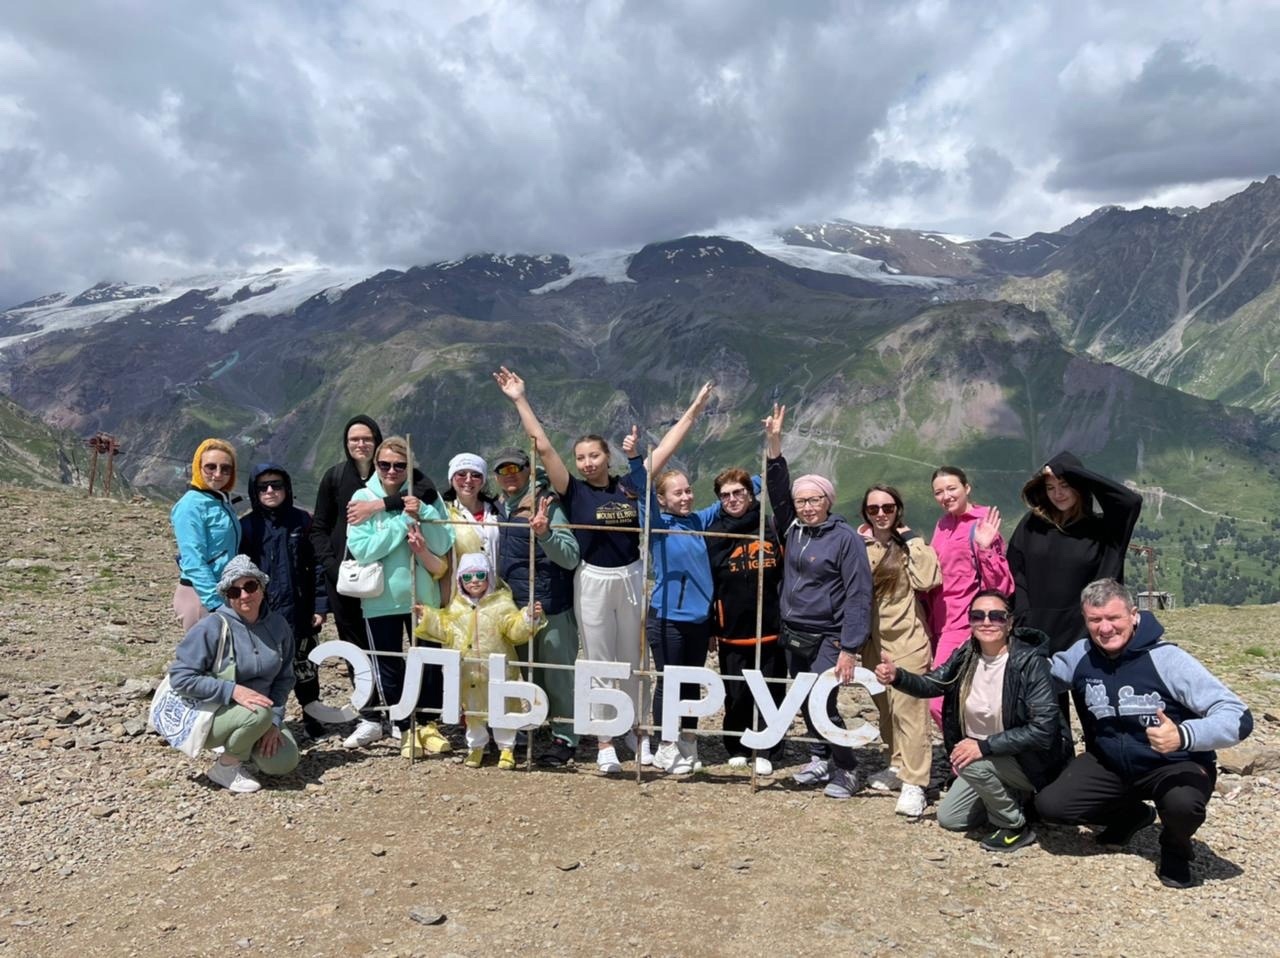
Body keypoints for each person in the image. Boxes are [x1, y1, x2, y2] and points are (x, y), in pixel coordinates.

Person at [1035, 579, 1253, 888]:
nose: (1105, 628)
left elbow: (1239, 716)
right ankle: (1131, 816)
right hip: (1110, 763)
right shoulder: (1081, 653)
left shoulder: (1167, 659)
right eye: (1095, 620)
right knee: (1052, 806)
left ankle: (1175, 845)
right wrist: (1003, 652)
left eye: (1114, 618)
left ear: (1134, 615)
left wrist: (1184, 734)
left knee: (1183, 805)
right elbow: (1046, 677)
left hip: (1175, 762)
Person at [494, 365, 647, 775]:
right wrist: (520, 399)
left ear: (607, 456)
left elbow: (657, 462)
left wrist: (694, 410)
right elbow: (542, 447)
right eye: (580, 457)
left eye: (593, 455)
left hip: (631, 573)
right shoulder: (573, 490)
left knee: (632, 655)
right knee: (597, 658)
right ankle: (605, 739)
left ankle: (633, 725)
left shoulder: (628, 486)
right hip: (593, 577)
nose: (586, 462)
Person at [876, 590, 1070, 848]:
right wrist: (897, 676)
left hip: (1030, 759)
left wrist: (983, 746)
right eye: (978, 616)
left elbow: (1042, 730)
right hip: (987, 756)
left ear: (1010, 622)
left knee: (968, 760)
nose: (987, 622)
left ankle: (1014, 825)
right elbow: (934, 683)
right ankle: (1015, 797)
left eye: (996, 616)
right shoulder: (968, 654)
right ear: (970, 621)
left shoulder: (1030, 662)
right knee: (951, 818)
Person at [309, 416, 442, 748]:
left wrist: (384, 505)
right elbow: (321, 525)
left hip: (396, 585)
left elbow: (425, 500)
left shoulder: (416, 483)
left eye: (367, 438)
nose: (360, 444)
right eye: (354, 438)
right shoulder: (338, 478)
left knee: (408, 652)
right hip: (351, 578)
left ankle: (411, 718)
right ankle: (372, 715)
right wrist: (331, 565)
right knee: (361, 649)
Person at [764, 404, 873, 799]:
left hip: (828, 636)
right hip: (796, 632)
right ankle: (819, 756)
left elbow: (860, 595)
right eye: (802, 501)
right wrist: (774, 445)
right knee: (804, 698)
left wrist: (849, 647)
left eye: (815, 499)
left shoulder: (845, 540)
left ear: (828, 500)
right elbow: (777, 492)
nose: (807, 506)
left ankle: (846, 767)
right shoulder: (793, 528)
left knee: (821, 702)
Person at [620, 385, 721, 774]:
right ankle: (665, 745)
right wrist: (634, 457)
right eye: (677, 493)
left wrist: (764, 475)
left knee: (692, 682)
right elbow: (643, 481)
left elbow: (737, 501)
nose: (686, 497)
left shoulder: (699, 521)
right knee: (670, 682)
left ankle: (688, 741)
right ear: (662, 499)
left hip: (699, 618)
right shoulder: (657, 522)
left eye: (688, 491)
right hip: (668, 617)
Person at [1008, 452, 1143, 723]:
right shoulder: (1032, 524)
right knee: (1047, 719)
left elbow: (1130, 501)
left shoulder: (1103, 529)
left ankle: (1102, 763)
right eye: (1050, 487)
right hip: (1038, 633)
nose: (1057, 494)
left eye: (1065, 485)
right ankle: (1059, 765)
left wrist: (1069, 469)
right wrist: (1023, 616)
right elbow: (1015, 570)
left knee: (1096, 713)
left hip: (1086, 633)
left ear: (1080, 486)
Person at [344, 436, 454, 757]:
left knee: (431, 661)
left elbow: (443, 542)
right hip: (381, 598)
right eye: (385, 465)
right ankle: (405, 728)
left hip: (424, 596)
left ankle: (429, 725)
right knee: (389, 664)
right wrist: (402, 522)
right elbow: (362, 550)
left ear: (409, 468)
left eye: (400, 465)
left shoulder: (424, 499)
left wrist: (424, 515)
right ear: (376, 465)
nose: (392, 471)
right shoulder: (362, 497)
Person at [168, 555, 300, 794]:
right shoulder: (211, 626)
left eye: (250, 586)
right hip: (213, 713)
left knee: (283, 762)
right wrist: (233, 691)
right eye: (234, 591)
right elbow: (180, 677)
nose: (244, 595)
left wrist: (274, 721)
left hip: (260, 712)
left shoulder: (279, 626)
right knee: (258, 712)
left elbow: (285, 677)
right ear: (226, 597)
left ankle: (245, 740)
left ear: (262, 587)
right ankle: (227, 766)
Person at [492, 447, 582, 767]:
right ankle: (536, 726)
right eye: (503, 471)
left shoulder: (546, 503)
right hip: (515, 607)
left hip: (551, 605)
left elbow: (570, 556)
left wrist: (544, 534)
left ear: (528, 469)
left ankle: (565, 737)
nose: (510, 474)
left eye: (515, 468)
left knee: (558, 675)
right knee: (527, 673)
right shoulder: (500, 506)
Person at [414, 553, 545, 770]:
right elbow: (446, 630)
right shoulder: (456, 607)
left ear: (489, 577)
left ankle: (506, 748)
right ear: (460, 581)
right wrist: (427, 617)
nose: (474, 581)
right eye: (468, 577)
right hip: (469, 674)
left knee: (503, 710)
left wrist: (528, 618)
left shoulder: (502, 605)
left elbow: (515, 631)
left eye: (480, 575)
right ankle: (476, 746)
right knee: (473, 713)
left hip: (498, 672)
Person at [857, 484, 942, 817]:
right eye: (874, 508)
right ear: (865, 512)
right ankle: (896, 765)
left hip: (906, 638)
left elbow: (927, 580)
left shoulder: (907, 546)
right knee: (885, 707)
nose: (881, 514)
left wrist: (911, 540)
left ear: (898, 510)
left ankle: (915, 782)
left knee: (910, 710)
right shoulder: (859, 545)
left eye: (888, 507)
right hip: (870, 642)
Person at [239, 463, 330, 740]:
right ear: (254, 491)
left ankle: (312, 716)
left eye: (276, 485)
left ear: (286, 488)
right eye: (262, 486)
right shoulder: (246, 526)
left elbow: (316, 566)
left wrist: (320, 606)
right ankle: (263, 720)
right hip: (263, 612)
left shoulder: (303, 521)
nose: (270, 491)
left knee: (305, 666)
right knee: (264, 666)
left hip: (301, 611)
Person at [706, 467, 786, 777]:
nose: (732, 499)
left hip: (771, 627)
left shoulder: (771, 527)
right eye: (725, 495)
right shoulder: (714, 535)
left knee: (771, 689)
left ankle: (767, 746)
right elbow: (709, 583)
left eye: (738, 492)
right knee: (736, 691)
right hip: (732, 630)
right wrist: (713, 626)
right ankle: (737, 745)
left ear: (750, 493)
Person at [926, 466, 1013, 727]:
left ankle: (969, 757)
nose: (946, 496)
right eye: (938, 492)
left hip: (967, 621)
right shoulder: (942, 525)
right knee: (964, 697)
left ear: (967, 488)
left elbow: (1002, 586)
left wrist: (986, 547)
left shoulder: (983, 522)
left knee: (938, 702)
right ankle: (972, 758)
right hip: (940, 621)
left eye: (952, 488)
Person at [170, 438, 242, 632]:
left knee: (223, 659)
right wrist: (215, 602)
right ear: (197, 467)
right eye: (210, 467)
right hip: (200, 595)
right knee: (205, 659)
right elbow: (193, 560)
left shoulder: (218, 500)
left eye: (225, 469)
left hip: (221, 590)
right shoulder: (191, 505)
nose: (218, 474)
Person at [441, 452, 501, 601]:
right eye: (461, 474)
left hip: (497, 594)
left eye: (476, 475)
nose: (468, 480)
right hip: (460, 597)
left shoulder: (497, 511)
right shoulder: (444, 514)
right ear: (451, 479)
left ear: (483, 481)